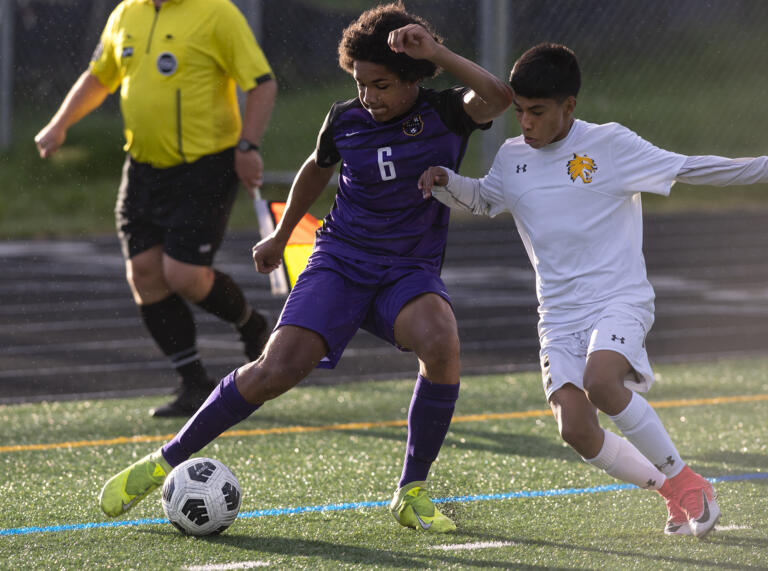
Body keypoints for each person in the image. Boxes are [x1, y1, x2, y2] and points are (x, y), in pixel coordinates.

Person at [97, 2, 513, 533]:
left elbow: (499, 97)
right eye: (361, 83)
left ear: (412, 76)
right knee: (276, 370)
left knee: (441, 340)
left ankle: (411, 490)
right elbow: (316, 171)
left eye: (382, 85)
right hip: (339, 261)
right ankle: (162, 462)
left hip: (407, 271)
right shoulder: (345, 119)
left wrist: (436, 51)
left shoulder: (447, 113)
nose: (369, 96)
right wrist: (281, 231)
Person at [419, 42, 768, 539]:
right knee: (576, 430)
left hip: (618, 299)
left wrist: (762, 166)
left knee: (603, 383)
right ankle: (670, 492)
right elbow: (483, 200)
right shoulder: (513, 156)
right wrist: (445, 181)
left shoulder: (610, 145)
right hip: (557, 317)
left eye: (537, 112)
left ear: (569, 107)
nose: (526, 124)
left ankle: (689, 482)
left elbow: (691, 167)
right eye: (519, 111)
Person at [34, 0, 277, 418]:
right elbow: (100, 77)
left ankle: (251, 324)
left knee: (182, 275)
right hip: (144, 168)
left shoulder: (216, 12)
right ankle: (193, 383)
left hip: (206, 167)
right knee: (145, 274)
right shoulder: (126, 14)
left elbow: (262, 83)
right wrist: (60, 124)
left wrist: (247, 146)